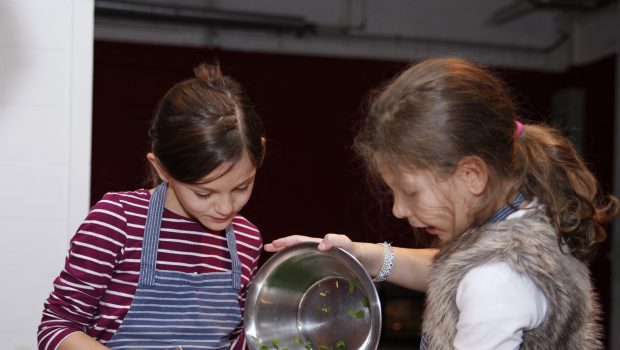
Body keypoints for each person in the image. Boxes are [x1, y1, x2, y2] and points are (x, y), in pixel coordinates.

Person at [265, 57, 619, 349]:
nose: (398, 210)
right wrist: (363, 256)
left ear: (471, 176)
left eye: (411, 192)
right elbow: (457, 268)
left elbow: (481, 278)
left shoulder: (496, 280)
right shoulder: (526, 220)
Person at [37, 62, 266, 350]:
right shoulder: (118, 221)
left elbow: (239, 341)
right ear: (162, 168)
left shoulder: (247, 240)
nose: (225, 207)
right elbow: (57, 327)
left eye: (241, 188)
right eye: (204, 193)